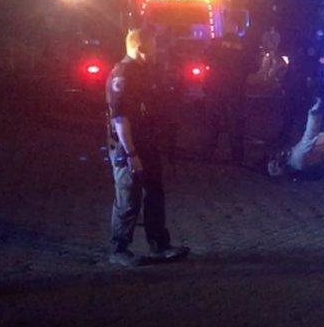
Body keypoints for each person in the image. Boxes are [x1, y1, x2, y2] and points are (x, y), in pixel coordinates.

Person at [106, 27, 189, 267]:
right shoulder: (123, 73)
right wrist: (131, 153)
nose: (157, 49)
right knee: (128, 198)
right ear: (140, 47)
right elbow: (120, 118)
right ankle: (119, 249)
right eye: (153, 44)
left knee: (154, 194)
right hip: (127, 146)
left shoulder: (145, 71)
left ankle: (159, 246)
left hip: (148, 142)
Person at [203, 31, 254, 164]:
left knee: (213, 124)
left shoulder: (217, 48)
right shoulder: (242, 50)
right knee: (235, 125)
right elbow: (253, 67)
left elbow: (206, 58)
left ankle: (209, 153)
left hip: (217, 90)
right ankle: (237, 157)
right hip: (233, 92)